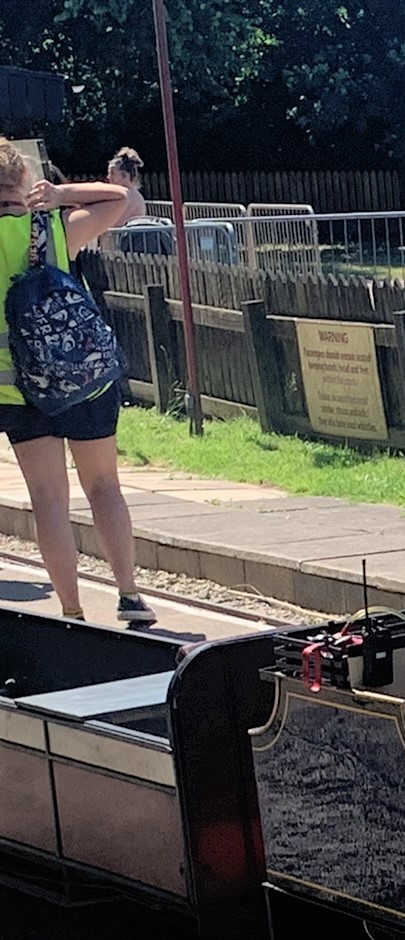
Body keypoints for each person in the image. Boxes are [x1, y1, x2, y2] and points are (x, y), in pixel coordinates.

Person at [0, 138, 153, 626]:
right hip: (80, 377)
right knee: (104, 485)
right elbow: (127, 200)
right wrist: (61, 196)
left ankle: (71, 610)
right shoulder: (52, 228)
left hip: (16, 389)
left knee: (48, 498)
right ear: (26, 180)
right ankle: (129, 595)